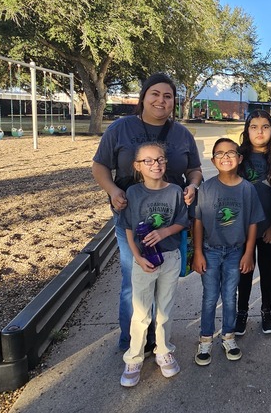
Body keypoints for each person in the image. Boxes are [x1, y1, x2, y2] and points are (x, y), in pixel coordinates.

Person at [91, 73, 203, 353]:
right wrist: (113, 191)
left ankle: (158, 339)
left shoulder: (182, 134)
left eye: (168, 96)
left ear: (174, 102)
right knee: (135, 278)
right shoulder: (121, 128)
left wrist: (192, 185)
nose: (161, 100)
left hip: (170, 219)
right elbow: (100, 166)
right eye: (155, 94)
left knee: (164, 279)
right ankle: (132, 343)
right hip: (131, 217)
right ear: (143, 97)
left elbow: (194, 169)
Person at [118, 142, 190, 387]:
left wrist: (164, 232)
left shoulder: (175, 191)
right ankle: (134, 357)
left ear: (166, 162)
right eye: (147, 161)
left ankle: (163, 350)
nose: (155, 164)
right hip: (143, 261)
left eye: (159, 159)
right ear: (137, 166)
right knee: (140, 312)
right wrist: (137, 257)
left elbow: (182, 221)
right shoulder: (133, 193)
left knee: (164, 309)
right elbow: (128, 228)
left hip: (169, 258)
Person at [192, 138, 265, 365]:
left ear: (240, 158)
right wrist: (198, 252)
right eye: (220, 153)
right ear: (213, 160)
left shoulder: (247, 189)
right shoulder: (206, 189)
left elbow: (253, 222)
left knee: (230, 296)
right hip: (210, 251)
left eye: (231, 153)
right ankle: (205, 338)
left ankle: (228, 336)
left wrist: (248, 253)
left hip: (235, 252)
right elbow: (198, 222)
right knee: (210, 296)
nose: (225, 157)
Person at [235, 110, 271, 335]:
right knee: (244, 270)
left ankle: (266, 310)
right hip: (243, 228)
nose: (259, 132)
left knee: (266, 270)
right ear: (247, 130)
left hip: (267, 227)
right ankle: (242, 311)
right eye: (253, 127)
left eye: (265, 127)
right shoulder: (239, 157)